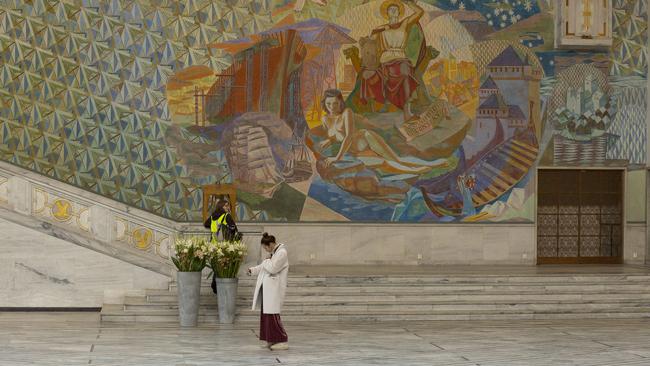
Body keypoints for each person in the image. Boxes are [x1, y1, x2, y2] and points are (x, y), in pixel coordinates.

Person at [318, 89, 448, 174]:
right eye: (329, 104)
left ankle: (420, 169)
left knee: (396, 160)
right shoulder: (325, 119)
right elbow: (337, 135)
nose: (332, 107)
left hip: (366, 138)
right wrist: (329, 140)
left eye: (335, 104)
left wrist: (336, 158)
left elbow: (348, 137)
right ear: (325, 104)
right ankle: (431, 165)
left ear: (340, 103)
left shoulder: (347, 113)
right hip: (356, 150)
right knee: (390, 161)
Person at [368, 0, 426, 121]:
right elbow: (371, 39)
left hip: (401, 57)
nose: (393, 10)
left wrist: (409, 3)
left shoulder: (404, 24)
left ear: (399, 12)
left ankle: (407, 112)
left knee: (405, 74)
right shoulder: (382, 28)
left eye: (395, 9)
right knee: (385, 77)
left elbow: (420, 12)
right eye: (390, 9)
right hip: (386, 58)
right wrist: (380, 30)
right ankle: (386, 104)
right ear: (387, 13)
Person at [248, 233, 289, 351]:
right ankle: (271, 339)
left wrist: (266, 261)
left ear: (270, 244)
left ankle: (282, 340)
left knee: (273, 317)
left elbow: (272, 268)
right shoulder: (273, 254)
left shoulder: (282, 253)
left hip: (275, 290)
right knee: (266, 317)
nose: (266, 250)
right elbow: (263, 266)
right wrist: (252, 270)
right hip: (268, 290)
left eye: (266, 247)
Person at [203, 199, 240, 294]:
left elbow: (206, 224)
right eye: (226, 206)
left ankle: (215, 284)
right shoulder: (226, 216)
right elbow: (234, 229)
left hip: (213, 245)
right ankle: (217, 285)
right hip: (224, 246)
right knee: (223, 266)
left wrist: (214, 227)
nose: (228, 208)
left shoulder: (213, 216)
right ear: (221, 206)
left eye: (228, 206)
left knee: (216, 265)